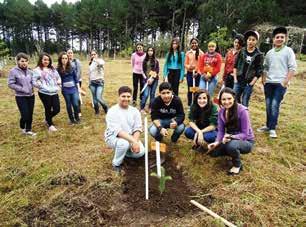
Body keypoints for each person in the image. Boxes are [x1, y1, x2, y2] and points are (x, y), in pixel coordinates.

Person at [257, 26, 297, 138]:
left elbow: (292, 68)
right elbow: (265, 67)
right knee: (268, 104)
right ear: (273, 39)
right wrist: (264, 80)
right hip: (269, 83)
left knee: (275, 104)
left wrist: (285, 82)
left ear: (285, 38)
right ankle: (268, 125)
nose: (279, 39)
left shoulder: (288, 51)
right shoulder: (270, 53)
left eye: (282, 37)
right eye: (277, 37)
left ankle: (272, 128)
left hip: (280, 84)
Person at [208, 88, 255, 175]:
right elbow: (221, 131)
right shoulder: (221, 112)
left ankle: (237, 165)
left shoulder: (243, 111)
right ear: (220, 101)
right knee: (214, 153)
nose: (226, 102)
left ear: (234, 98)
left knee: (231, 146)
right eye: (223, 99)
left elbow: (245, 134)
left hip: (246, 141)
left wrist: (231, 137)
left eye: (229, 99)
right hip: (230, 137)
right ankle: (230, 151)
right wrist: (217, 142)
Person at [105, 86, 145, 173]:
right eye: (123, 96)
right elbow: (118, 132)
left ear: (131, 97)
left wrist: (135, 142)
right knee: (123, 144)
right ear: (119, 97)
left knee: (140, 153)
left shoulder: (135, 111)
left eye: (128, 96)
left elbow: (137, 128)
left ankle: (125, 153)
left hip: (130, 137)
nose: (126, 99)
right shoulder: (112, 111)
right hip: (113, 137)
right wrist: (134, 142)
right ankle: (116, 164)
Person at [8, 53, 36, 136]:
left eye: (26, 61)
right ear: (18, 61)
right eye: (22, 61)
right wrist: (22, 89)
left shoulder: (30, 71)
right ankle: (22, 125)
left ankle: (28, 130)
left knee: (30, 113)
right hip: (20, 97)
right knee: (25, 114)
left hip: (31, 95)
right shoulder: (13, 71)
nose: (24, 63)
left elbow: (33, 81)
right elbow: (10, 84)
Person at [233, 30, 263, 107]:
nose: (251, 42)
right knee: (234, 100)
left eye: (253, 40)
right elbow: (235, 66)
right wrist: (235, 79)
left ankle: (244, 118)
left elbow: (259, 71)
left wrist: (251, 83)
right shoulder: (242, 51)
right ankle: (235, 117)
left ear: (256, 41)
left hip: (248, 83)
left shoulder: (258, 55)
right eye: (249, 39)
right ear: (246, 40)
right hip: (238, 81)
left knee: (245, 102)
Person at [33, 52, 61, 132]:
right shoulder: (37, 70)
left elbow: (58, 77)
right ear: (41, 60)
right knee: (48, 108)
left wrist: (59, 82)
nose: (46, 61)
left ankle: (47, 118)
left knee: (57, 109)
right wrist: (40, 85)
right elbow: (34, 81)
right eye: (45, 60)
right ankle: (50, 125)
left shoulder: (52, 69)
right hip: (44, 93)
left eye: (48, 60)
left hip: (54, 92)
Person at [57, 52, 81, 124]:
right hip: (65, 90)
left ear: (68, 59)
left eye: (66, 58)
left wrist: (78, 88)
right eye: (63, 58)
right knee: (68, 105)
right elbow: (57, 79)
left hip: (73, 88)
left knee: (76, 104)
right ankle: (71, 119)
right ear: (60, 59)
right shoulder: (58, 69)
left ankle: (77, 117)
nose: (64, 60)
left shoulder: (71, 67)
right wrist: (60, 86)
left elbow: (75, 78)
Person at [185, 38, 204, 108]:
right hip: (190, 73)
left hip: (197, 74)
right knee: (190, 89)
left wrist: (198, 72)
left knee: (196, 89)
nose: (194, 44)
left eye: (195, 43)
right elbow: (185, 64)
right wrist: (189, 67)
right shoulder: (188, 53)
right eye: (192, 43)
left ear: (198, 44)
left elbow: (202, 65)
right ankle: (190, 104)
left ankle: (196, 104)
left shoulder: (201, 53)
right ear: (190, 44)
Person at [140, 46, 160, 114]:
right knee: (145, 94)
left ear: (153, 52)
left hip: (154, 80)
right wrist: (146, 79)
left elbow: (157, 71)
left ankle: (151, 108)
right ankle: (142, 108)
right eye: (149, 50)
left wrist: (152, 78)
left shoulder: (156, 61)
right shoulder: (144, 60)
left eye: (151, 50)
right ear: (147, 52)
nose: (150, 52)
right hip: (146, 80)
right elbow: (142, 70)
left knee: (152, 94)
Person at [89, 50, 108, 115]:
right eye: (92, 55)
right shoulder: (90, 63)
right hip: (92, 83)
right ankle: (96, 110)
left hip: (100, 83)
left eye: (94, 54)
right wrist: (89, 82)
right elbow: (90, 73)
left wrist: (95, 60)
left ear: (97, 55)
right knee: (94, 98)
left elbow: (102, 63)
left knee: (98, 97)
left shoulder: (100, 61)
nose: (93, 56)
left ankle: (105, 107)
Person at [67, 49, 82, 117]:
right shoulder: (66, 62)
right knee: (71, 97)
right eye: (68, 53)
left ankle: (79, 111)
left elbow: (79, 72)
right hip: (69, 82)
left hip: (77, 81)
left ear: (73, 54)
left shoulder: (76, 61)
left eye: (71, 53)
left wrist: (75, 81)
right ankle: (74, 110)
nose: (70, 54)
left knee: (77, 97)